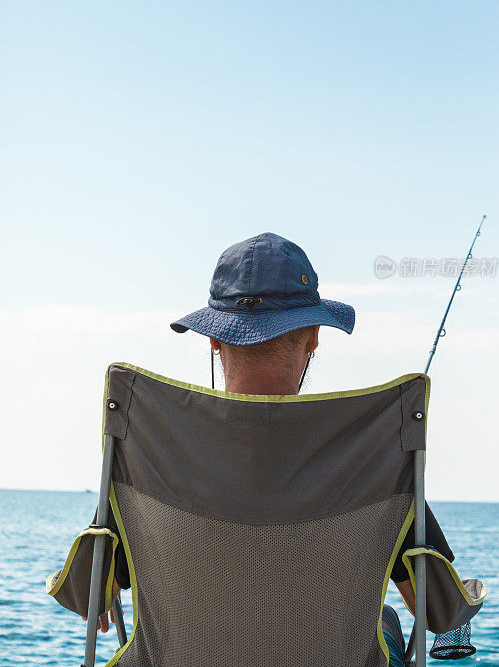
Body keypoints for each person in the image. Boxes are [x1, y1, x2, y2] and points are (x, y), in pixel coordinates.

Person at [92, 232, 454, 666]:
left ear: (213, 338)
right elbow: (436, 610)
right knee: (389, 620)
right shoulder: (370, 457)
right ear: (314, 337)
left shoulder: (156, 449)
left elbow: (92, 597)